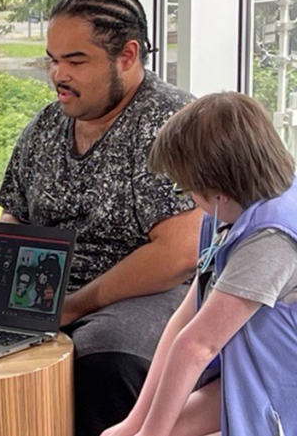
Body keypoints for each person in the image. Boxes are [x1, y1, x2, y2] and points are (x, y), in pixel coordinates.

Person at [0, 0, 202, 434]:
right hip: (49, 293)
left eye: (76, 61)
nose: (58, 75)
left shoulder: (174, 123)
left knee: (104, 363)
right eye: (52, 59)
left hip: (152, 294)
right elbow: (14, 215)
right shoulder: (48, 125)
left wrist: (70, 307)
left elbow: (179, 253)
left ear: (127, 55)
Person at [102, 92, 297, 436]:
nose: (187, 196)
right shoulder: (226, 213)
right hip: (249, 377)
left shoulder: (272, 238)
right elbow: (185, 320)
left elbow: (198, 345)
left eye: (186, 188)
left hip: (283, 392)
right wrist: (134, 424)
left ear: (219, 190)